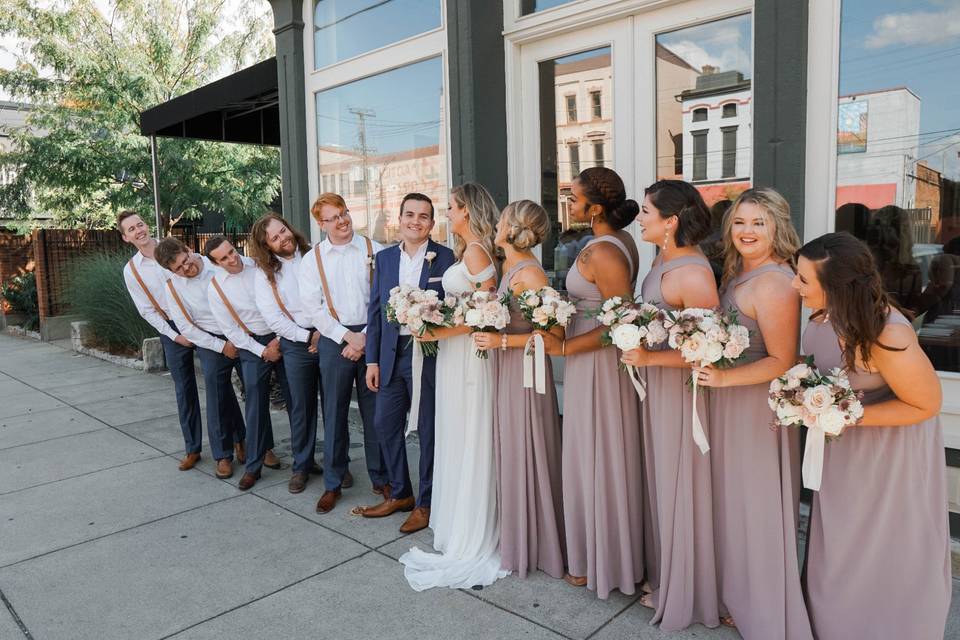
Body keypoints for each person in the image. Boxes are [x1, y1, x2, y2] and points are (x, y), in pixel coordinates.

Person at [795, 232, 950, 640]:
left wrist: (839, 415)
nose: (795, 287)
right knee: (842, 540)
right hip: (843, 449)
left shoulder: (889, 334)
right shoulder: (821, 317)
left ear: (834, 286)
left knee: (882, 543)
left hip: (886, 455)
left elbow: (925, 405)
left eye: (803, 280)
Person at [692, 188, 812, 639]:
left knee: (754, 504)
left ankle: (759, 601)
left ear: (778, 227)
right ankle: (734, 591)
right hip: (727, 404)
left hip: (755, 407)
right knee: (730, 502)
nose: (747, 231)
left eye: (758, 223)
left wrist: (721, 379)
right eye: (740, 222)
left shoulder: (776, 282)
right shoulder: (736, 274)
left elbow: (782, 360)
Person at [536, 167, 644, 600]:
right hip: (586, 359)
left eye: (575, 198)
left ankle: (604, 560)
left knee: (598, 454)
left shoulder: (605, 252)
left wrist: (564, 350)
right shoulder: (609, 242)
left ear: (595, 208)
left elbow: (619, 324)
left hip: (598, 364)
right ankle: (593, 551)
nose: (570, 203)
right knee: (589, 452)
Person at [398, 183, 510, 591]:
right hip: (452, 353)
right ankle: (455, 520)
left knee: (467, 433)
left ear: (467, 211)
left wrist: (437, 331)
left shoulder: (478, 250)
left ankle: (473, 531)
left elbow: (489, 310)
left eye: (450, 207)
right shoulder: (467, 250)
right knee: (454, 434)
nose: (446, 213)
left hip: (467, 358)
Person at [621, 179, 720, 630]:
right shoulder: (662, 258)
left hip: (681, 392)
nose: (639, 217)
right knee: (661, 480)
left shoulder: (693, 274)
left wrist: (647, 355)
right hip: (657, 386)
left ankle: (685, 586)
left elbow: (708, 348)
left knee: (679, 482)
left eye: (645, 211)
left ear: (671, 220)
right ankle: (666, 571)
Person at [472, 199, 565, 579]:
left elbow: (554, 335)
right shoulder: (509, 268)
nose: (494, 225)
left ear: (511, 228)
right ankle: (518, 537)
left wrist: (502, 343)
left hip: (526, 373)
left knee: (527, 449)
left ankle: (537, 544)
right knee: (511, 449)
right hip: (508, 369)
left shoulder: (529, 274)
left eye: (501, 220)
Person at [357, 193, 456, 533]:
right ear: (399, 219)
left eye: (424, 216)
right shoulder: (383, 259)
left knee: (427, 428)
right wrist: (371, 360)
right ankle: (400, 493)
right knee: (385, 423)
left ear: (432, 222)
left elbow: (453, 307)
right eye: (410, 214)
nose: (416, 221)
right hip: (389, 353)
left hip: (426, 352)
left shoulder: (445, 257)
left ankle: (427, 503)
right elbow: (374, 310)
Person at [299, 193, 385, 514]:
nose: (342, 221)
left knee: (376, 412)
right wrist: (347, 336)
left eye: (344, 213)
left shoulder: (375, 249)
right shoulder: (312, 260)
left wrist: (363, 337)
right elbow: (312, 309)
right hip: (335, 340)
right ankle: (333, 483)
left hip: (372, 335)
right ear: (321, 224)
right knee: (334, 414)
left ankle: (381, 476)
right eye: (333, 217)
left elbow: (386, 298)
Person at [118, 211, 203, 471]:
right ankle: (192, 448)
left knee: (218, 380)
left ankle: (237, 440)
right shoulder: (132, 271)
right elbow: (146, 310)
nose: (139, 230)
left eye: (140, 224)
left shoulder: (173, 246)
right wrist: (175, 334)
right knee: (184, 390)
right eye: (131, 229)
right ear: (125, 238)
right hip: (172, 328)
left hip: (202, 319)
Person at [155, 237, 245, 480]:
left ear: (189, 249)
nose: (186, 269)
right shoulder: (172, 287)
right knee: (216, 394)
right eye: (178, 269)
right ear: (170, 271)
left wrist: (240, 336)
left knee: (254, 389)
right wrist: (220, 345)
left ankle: (258, 446)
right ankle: (222, 455)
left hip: (242, 331)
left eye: (186, 261)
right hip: (210, 339)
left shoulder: (217, 264)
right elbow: (187, 328)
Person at [249, 213, 323, 494]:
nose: (284, 238)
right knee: (301, 407)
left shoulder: (315, 254)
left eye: (284, 231)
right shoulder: (265, 274)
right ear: (267, 245)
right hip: (296, 342)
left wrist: (324, 332)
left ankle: (339, 464)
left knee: (333, 405)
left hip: (330, 336)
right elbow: (273, 318)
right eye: (275, 237)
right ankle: (302, 466)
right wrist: (307, 336)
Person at [204, 237, 286, 491]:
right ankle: (253, 465)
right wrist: (264, 351)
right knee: (255, 400)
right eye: (224, 258)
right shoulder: (216, 288)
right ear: (215, 263)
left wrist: (280, 340)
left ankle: (306, 462)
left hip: (283, 334)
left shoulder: (260, 266)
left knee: (296, 397)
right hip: (252, 344)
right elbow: (232, 332)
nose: (233, 258)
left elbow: (287, 302)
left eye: (232, 251)